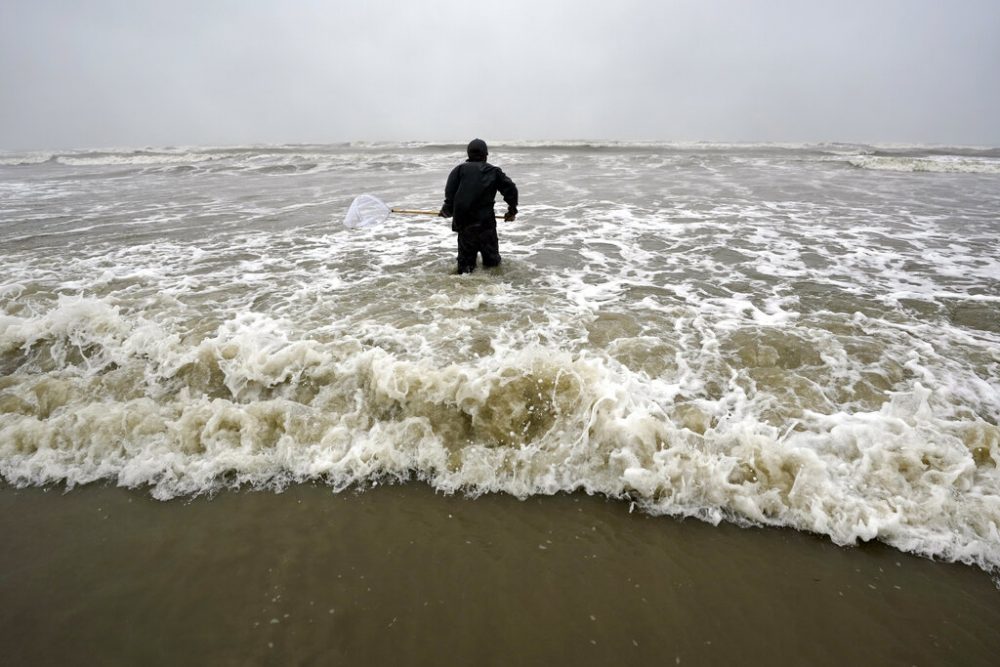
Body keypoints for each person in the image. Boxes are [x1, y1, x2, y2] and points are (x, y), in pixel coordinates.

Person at [438, 139, 518, 274]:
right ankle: (495, 292)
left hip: (465, 226)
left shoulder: (458, 170)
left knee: (465, 268)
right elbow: (511, 190)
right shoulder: (493, 171)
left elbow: (450, 195)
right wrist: (512, 211)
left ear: (468, 154)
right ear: (486, 154)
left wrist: (447, 210)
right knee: (492, 265)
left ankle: (464, 291)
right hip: (486, 225)